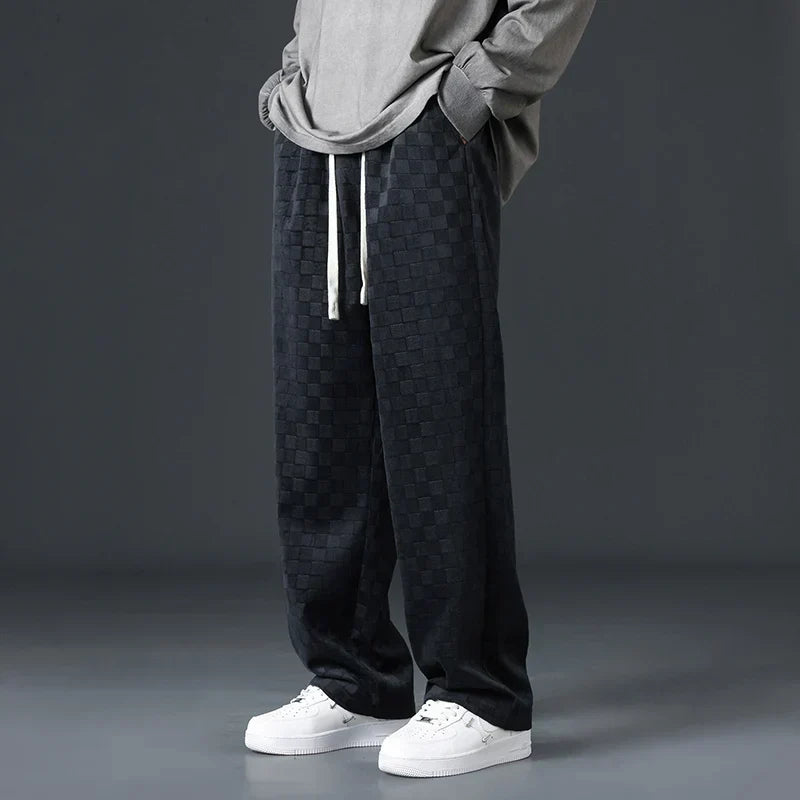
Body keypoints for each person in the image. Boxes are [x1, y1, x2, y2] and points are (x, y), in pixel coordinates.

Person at [246, 0, 596, 779]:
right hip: (313, 131)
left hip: (427, 119)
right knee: (319, 416)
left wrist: (471, 90)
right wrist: (297, 72)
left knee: (439, 412)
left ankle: (481, 693)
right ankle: (355, 677)